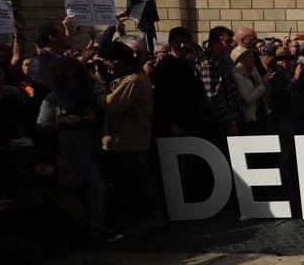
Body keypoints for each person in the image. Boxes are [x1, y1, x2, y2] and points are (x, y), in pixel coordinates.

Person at [36, 56, 108, 239]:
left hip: (95, 144)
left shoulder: (89, 94)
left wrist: (94, 118)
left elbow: (104, 115)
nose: (72, 82)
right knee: (94, 186)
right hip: (73, 149)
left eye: (76, 77)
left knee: (97, 187)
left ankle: (95, 226)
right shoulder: (53, 99)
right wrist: (63, 122)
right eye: (67, 78)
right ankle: (94, 230)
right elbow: (42, 126)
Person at [95, 40, 156, 227]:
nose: (105, 65)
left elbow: (111, 105)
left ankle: (142, 222)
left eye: (107, 61)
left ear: (118, 61)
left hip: (130, 143)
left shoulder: (134, 80)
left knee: (135, 186)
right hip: (123, 141)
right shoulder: (127, 77)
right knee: (128, 185)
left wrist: (98, 83)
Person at [150, 26, 205, 138]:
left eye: (185, 42)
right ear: (171, 43)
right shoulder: (165, 66)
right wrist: (172, 125)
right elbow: (163, 98)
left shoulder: (186, 64)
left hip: (191, 119)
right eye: (178, 42)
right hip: (177, 125)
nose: (182, 46)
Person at [198, 26, 243, 143]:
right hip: (222, 124)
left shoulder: (220, 59)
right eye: (227, 41)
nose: (231, 44)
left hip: (232, 117)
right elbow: (213, 96)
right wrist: (230, 123)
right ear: (215, 42)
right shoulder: (208, 63)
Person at [231, 45, 270, 134]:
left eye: (253, 57)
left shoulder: (253, 71)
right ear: (241, 60)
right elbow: (247, 100)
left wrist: (266, 83)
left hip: (261, 114)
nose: (253, 60)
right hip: (249, 120)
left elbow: (263, 92)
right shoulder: (238, 76)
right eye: (249, 57)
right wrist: (263, 86)